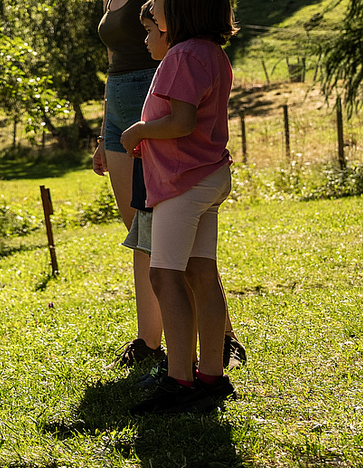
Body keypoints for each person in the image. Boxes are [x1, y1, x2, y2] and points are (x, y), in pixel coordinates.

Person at [120, 0, 239, 414]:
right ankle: (211, 377)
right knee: (201, 273)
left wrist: (138, 131)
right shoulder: (212, 53)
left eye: (161, 5)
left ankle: (179, 381)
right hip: (206, 176)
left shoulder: (183, 55)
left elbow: (181, 121)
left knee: (165, 277)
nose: (152, 7)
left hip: (181, 184)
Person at [93, 0, 168, 370]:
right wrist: (102, 134)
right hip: (117, 108)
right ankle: (149, 341)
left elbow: (173, 42)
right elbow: (112, 62)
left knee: (167, 229)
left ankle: (223, 337)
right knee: (139, 232)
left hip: (148, 99)